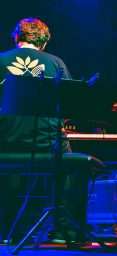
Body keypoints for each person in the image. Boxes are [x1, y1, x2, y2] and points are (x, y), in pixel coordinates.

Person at [0, 18, 86, 243]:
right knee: (68, 158)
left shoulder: (0, 61)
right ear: (43, 43)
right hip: (48, 144)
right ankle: (62, 230)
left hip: (8, 143)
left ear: (16, 38)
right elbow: (69, 106)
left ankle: (8, 231)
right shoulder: (56, 62)